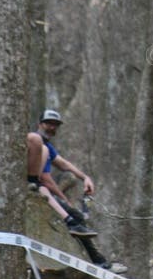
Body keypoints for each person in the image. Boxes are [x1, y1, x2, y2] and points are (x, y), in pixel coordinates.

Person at [27, 109, 120, 269]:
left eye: (55, 125)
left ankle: (96, 259)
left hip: (42, 187)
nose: (52, 128)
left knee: (77, 217)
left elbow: (64, 164)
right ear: (40, 124)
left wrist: (85, 177)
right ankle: (96, 260)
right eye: (48, 123)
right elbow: (44, 178)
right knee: (75, 216)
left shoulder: (48, 146)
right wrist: (64, 199)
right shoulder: (39, 146)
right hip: (35, 187)